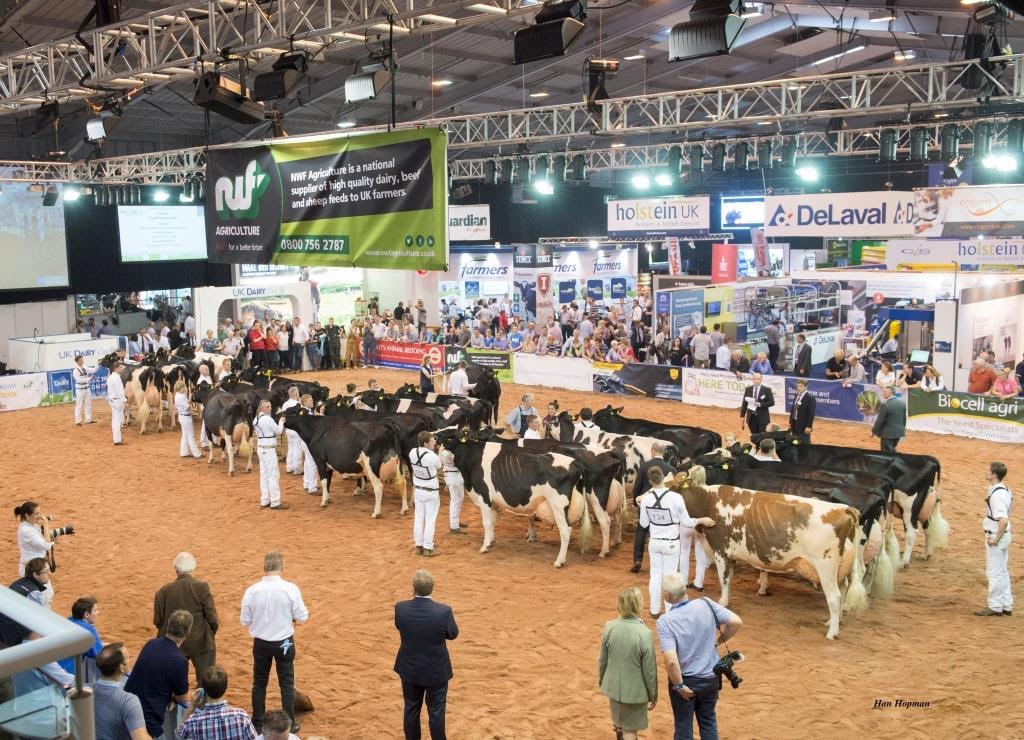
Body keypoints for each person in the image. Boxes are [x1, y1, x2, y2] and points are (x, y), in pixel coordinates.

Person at [657, 572, 742, 740]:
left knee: (683, 727)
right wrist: (718, 641)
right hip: (711, 677)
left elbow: (672, 662)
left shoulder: (665, 621)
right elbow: (735, 621)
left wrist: (680, 686)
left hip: (687, 680)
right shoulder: (706, 603)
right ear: (684, 589)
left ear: (666, 595)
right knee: (708, 721)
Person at [241, 551, 309, 735]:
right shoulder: (290, 589)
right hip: (284, 643)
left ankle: (257, 721)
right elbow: (302, 616)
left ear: (265, 568)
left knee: (259, 683)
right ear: (281, 567)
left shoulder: (252, 590)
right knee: (286, 683)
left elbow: (244, 620)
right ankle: (290, 722)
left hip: (261, 643)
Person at [638, 467, 715, 617]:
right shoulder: (675, 498)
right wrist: (701, 520)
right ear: (663, 478)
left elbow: (643, 523)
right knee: (670, 577)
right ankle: (669, 611)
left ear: (650, 481)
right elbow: (686, 522)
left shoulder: (646, 499)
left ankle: (654, 610)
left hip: (654, 543)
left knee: (655, 575)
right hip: (671, 543)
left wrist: (643, 507)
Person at [394, 569, 459, 740]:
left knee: (411, 707)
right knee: (436, 711)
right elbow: (453, 634)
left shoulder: (401, 608)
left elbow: (400, 627)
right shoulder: (443, 611)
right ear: (432, 588)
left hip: (410, 668)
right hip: (436, 670)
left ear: (413, 588)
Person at [598, 587, 658, 740]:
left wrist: (603, 681)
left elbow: (602, 660)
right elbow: (649, 671)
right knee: (630, 730)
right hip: (635, 693)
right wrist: (653, 695)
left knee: (619, 725)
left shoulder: (609, 627)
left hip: (613, 687)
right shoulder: (644, 633)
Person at [125, 609, 193, 740]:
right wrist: (173, 698)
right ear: (187, 633)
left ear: (168, 627)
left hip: (127, 709)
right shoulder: (180, 661)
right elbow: (182, 698)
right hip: (147, 722)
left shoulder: (151, 643)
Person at [154, 552, 219, 682]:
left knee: (170, 681)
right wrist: (209, 634)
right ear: (193, 568)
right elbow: (212, 618)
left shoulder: (162, 592)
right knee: (206, 681)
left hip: (172, 644)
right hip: (200, 642)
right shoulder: (202, 587)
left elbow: (158, 622)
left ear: (176, 569)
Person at [630, 442, 677, 574]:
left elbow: (637, 487)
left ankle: (637, 560)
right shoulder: (671, 469)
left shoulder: (644, 466)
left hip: (646, 503)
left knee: (641, 531)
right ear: (663, 453)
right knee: (660, 533)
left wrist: (636, 501)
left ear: (653, 451)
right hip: (664, 506)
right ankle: (659, 563)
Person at [178, 665, 258, 739]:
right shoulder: (241, 717)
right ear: (225, 687)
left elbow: (180, 733)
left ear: (203, 690)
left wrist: (192, 706)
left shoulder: (194, 721)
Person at [976, 461, 1013, 617]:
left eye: (988, 470)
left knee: (994, 572)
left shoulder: (997, 495)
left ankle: (995, 606)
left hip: (996, 534)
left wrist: (995, 539)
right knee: (1002, 570)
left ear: (994, 475)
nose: (986, 472)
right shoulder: (1005, 489)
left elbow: (1003, 520)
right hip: (1005, 534)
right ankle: (1006, 604)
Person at [93, 643, 150, 740]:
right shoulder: (129, 701)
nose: (129, 661)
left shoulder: (84, 691)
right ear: (121, 667)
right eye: (127, 658)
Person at [410, 431, 443, 557]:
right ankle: (428, 547)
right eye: (432, 441)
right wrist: (439, 452)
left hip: (418, 490)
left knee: (419, 518)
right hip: (431, 492)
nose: (434, 442)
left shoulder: (412, 452)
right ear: (425, 443)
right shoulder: (432, 456)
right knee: (430, 519)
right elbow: (439, 465)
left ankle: (418, 546)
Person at [15, 501, 58, 592]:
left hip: (37, 568)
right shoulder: (27, 531)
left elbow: (43, 538)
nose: (40, 516)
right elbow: (47, 545)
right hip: (34, 572)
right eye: (37, 513)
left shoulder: (31, 525)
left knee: (47, 595)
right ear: (27, 515)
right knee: (44, 596)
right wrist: (46, 525)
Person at [254, 400, 288, 510]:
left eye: (270, 406)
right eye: (268, 407)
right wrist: (282, 421)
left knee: (264, 475)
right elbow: (278, 431)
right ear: (262, 408)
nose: (270, 408)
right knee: (273, 475)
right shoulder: (267, 419)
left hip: (261, 448)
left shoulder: (256, 419)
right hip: (269, 449)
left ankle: (265, 500)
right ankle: (275, 501)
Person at [57, 596, 103, 678]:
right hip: (66, 676)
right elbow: (99, 654)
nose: (98, 613)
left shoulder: (66, 621)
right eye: (95, 610)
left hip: (52, 670)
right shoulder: (87, 629)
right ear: (86, 614)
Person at [439, 446, 467, 536]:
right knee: (455, 501)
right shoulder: (447, 453)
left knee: (460, 499)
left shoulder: (447, 451)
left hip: (456, 476)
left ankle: (455, 521)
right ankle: (454, 526)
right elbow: (459, 461)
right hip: (453, 477)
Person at [871, 386, 906, 453]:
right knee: (892, 450)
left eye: (884, 392)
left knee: (886, 452)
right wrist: (902, 430)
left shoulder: (885, 405)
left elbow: (880, 421)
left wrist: (873, 431)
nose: (882, 393)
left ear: (890, 393)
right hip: (898, 433)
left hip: (888, 434)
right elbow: (904, 418)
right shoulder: (902, 403)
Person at [174, 380, 202, 459]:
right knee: (191, 435)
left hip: (182, 416)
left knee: (185, 435)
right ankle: (197, 454)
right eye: (183, 387)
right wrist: (190, 399)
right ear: (180, 387)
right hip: (186, 417)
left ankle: (184, 452)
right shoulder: (181, 396)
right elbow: (187, 407)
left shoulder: (177, 395)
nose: (185, 388)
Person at [280, 386, 303, 476]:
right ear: (296, 394)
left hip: (288, 429)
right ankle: (297, 468)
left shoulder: (285, 404)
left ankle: (289, 467)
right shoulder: (298, 404)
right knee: (298, 448)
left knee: (291, 447)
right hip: (296, 429)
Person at [72, 354, 99, 425]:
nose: (82, 361)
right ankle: (77, 421)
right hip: (80, 389)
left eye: (82, 359)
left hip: (87, 388)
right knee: (79, 405)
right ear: (77, 361)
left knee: (88, 404)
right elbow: (79, 380)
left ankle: (88, 419)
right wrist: (89, 378)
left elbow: (93, 370)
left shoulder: (84, 367)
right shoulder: (75, 370)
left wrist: (98, 364)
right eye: (81, 360)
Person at [789, 378, 816, 443]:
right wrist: (790, 422)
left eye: (801, 386)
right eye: (798, 386)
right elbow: (793, 409)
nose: (799, 388)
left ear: (806, 387)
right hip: (794, 423)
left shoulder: (810, 398)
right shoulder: (796, 395)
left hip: (804, 425)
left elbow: (811, 414)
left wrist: (809, 426)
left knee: (805, 442)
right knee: (795, 441)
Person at [107, 360, 128, 446]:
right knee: (117, 420)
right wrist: (125, 402)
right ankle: (117, 440)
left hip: (112, 400)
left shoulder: (110, 377)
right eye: (120, 367)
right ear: (116, 368)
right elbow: (120, 392)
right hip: (117, 401)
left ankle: (117, 438)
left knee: (115, 420)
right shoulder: (117, 378)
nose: (122, 369)